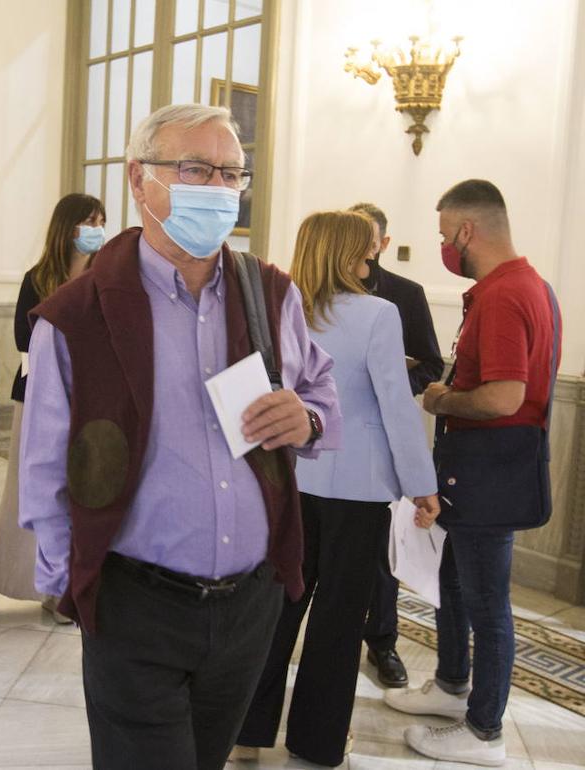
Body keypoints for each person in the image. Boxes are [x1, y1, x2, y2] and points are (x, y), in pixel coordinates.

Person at [19, 104, 341, 770]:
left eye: (230, 173)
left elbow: (321, 396)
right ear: (140, 181)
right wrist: (71, 586)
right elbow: (44, 467)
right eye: (195, 168)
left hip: (250, 605)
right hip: (137, 605)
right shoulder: (75, 316)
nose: (218, 188)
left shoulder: (271, 295)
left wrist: (305, 417)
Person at [232, 210, 440, 767]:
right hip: (358, 485)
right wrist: (422, 484)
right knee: (340, 618)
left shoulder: (279, 307)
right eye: (365, 251)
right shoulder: (378, 313)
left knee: (279, 607)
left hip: (291, 477)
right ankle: (317, 741)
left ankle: (247, 731)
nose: (371, 260)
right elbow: (396, 405)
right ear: (349, 255)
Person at [386, 179, 562, 767]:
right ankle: (451, 686)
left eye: (443, 235)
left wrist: (438, 400)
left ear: (466, 231)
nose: (443, 247)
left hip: (491, 469)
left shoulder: (506, 294)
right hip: (478, 470)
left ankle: (483, 731)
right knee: (454, 583)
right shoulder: (520, 285)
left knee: (487, 604)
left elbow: (504, 397)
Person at [0, 193, 106, 632]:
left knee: (74, 497)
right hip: (37, 397)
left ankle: (55, 589)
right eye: (88, 220)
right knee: (22, 495)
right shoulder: (37, 278)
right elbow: (26, 342)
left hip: (89, 404)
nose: (97, 228)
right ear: (67, 227)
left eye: (101, 220)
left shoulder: (105, 278)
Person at [348, 201, 444, 689]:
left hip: (386, 437)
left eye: (369, 237)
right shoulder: (315, 290)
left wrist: (398, 373)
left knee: (383, 552)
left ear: (383, 243)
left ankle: (382, 643)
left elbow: (432, 367)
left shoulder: (405, 295)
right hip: (329, 443)